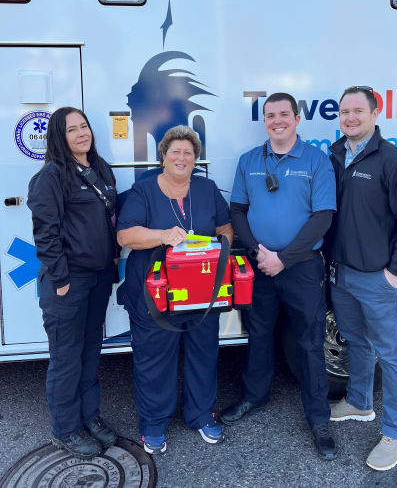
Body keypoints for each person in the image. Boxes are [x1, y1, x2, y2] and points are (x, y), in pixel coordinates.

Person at [220, 93, 338, 460]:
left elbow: (323, 217)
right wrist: (258, 252)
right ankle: (255, 396)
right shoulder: (250, 160)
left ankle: (318, 418)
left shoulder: (317, 161)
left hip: (301, 267)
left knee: (309, 340)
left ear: (297, 118)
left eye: (283, 114)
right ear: (265, 121)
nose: (276, 121)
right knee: (259, 333)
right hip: (259, 263)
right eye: (270, 116)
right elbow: (237, 209)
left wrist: (284, 259)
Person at [324, 86, 397, 471]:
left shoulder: (395, 161)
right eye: (344, 111)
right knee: (356, 342)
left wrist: (394, 272)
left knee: (393, 355)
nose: (350, 118)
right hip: (343, 275)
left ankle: (396, 433)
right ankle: (359, 402)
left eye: (357, 111)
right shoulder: (335, 156)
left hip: (379, 279)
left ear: (374, 113)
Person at [116, 125, 234, 455]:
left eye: (188, 153)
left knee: (204, 353)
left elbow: (225, 228)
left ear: (196, 158)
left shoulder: (207, 188)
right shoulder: (143, 191)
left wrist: (215, 253)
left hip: (202, 292)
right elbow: (125, 236)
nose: (181, 158)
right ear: (163, 156)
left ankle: (200, 415)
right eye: (175, 152)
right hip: (156, 296)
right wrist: (164, 235)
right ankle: (154, 424)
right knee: (154, 358)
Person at [27, 107, 119, 460]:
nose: (82, 133)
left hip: (98, 280)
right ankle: (65, 429)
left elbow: (111, 218)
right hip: (69, 283)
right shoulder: (51, 176)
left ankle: (89, 418)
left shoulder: (100, 169)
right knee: (66, 358)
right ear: (58, 137)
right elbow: (45, 233)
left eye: (84, 126)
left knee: (90, 351)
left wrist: (111, 259)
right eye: (72, 130)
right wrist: (61, 280)